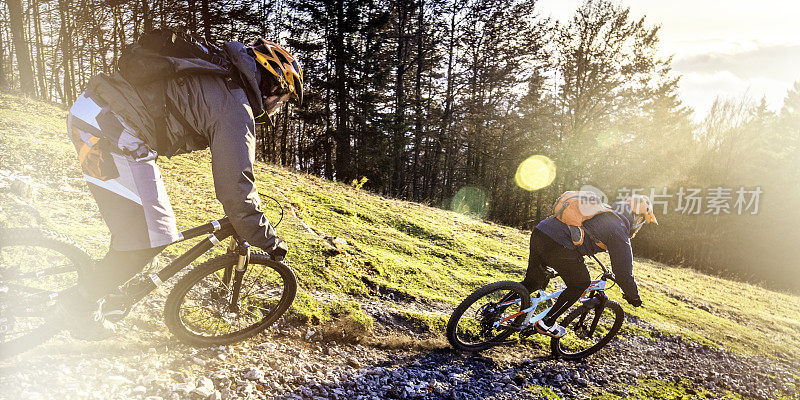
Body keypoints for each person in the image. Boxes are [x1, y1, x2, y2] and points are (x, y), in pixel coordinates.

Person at [59, 36, 304, 340]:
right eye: (283, 100)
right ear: (272, 87)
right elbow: (235, 190)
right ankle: (78, 304)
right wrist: (268, 240)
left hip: (96, 113)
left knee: (142, 230)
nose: (280, 108)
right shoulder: (235, 107)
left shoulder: (223, 75)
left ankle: (104, 281)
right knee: (154, 235)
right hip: (108, 130)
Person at [521, 194, 657, 338]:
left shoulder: (605, 212)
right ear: (637, 217)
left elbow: (588, 234)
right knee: (581, 284)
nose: (640, 225)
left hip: (541, 231)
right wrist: (633, 297)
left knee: (533, 282)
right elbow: (623, 272)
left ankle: (497, 310)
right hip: (559, 244)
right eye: (642, 220)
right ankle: (547, 323)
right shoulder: (619, 228)